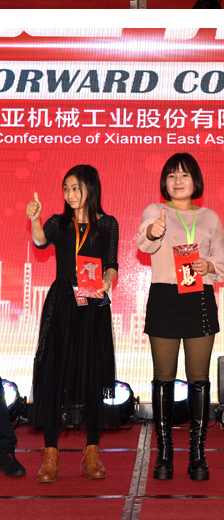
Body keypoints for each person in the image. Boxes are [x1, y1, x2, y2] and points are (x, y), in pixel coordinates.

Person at [136, 153, 224, 481]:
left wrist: (209, 265)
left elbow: (223, 257)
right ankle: (164, 454)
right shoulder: (155, 210)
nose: (178, 181)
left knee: (198, 379)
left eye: (185, 175)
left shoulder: (210, 217)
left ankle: (197, 453)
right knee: (163, 378)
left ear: (196, 181)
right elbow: (144, 242)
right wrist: (153, 231)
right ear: (164, 182)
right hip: (164, 298)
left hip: (199, 297)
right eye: (172, 175)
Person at [25, 166, 118, 482]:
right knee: (53, 373)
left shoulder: (107, 224)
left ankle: (91, 451)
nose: (69, 194)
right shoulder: (58, 222)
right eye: (65, 188)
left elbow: (112, 264)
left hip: (93, 303)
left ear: (91, 188)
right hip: (61, 302)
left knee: (92, 374)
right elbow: (40, 241)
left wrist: (107, 280)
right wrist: (35, 218)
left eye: (75, 188)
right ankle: (50, 454)